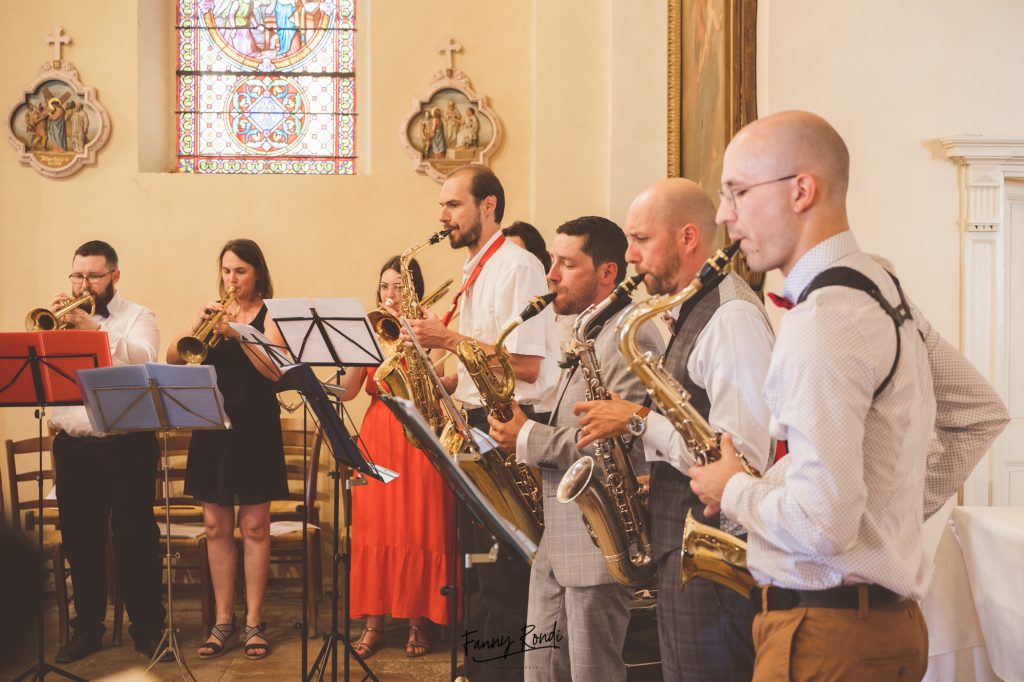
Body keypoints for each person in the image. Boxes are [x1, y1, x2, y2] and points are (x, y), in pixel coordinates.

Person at [685, 110, 1006, 680]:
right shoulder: (881, 282)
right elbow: (978, 412)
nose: (722, 214)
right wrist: (879, 518)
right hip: (886, 628)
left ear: (801, 190)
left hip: (824, 638)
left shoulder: (823, 323)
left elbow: (821, 526)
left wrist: (731, 487)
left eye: (737, 192)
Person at [574, 178, 775, 681]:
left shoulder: (731, 318)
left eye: (641, 240)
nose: (630, 255)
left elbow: (743, 459)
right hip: (688, 550)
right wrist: (658, 473)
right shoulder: (688, 308)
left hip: (712, 562)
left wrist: (639, 421)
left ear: (688, 238)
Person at [488, 216, 663, 682]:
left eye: (567, 264)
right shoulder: (591, 328)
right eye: (553, 262)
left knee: (591, 672)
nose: (552, 275)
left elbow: (617, 441)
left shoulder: (629, 334)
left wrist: (528, 436)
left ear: (608, 272)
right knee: (542, 667)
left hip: (597, 537)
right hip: (560, 535)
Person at [406, 164, 560, 682]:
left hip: (510, 425)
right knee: (478, 566)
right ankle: (480, 671)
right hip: (476, 420)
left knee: (507, 571)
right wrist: (435, 375)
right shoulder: (477, 267)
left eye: (453, 204)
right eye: (442, 206)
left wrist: (446, 341)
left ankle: (506, 674)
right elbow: (478, 364)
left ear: (488, 206)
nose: (443, 216)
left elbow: (527, 365)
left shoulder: (517, 266)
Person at [167, 238, 288, 660]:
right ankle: (223, 620)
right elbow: (174, 356)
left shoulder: (271, 314)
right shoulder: (211, 311)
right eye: (226, 271)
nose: (232, 279)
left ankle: (254, 621)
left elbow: (275, 370)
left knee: (255, 528)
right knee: (217, 527)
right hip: (212, 425)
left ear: (257, 274)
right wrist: (194, 326)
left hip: (256, 428)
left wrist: (237, 332)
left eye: (240, 271)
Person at [50, 240, 167, 664]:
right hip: (73, 447)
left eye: (94, 276)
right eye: (78, 275)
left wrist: (93, 329)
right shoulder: (58, 320)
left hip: (127, 445)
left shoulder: (139, 317)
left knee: (137, 537)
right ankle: (88, 629)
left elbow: (143, 360)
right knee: (82, 541)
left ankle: (149, 628)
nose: (85, 284)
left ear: (115, 276)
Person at [334, 255, 455, 659]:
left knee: (418, 527)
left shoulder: (429, 326)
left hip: (419, 434)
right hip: (378, 434)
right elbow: (349, 391)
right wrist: (349, 348)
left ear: (413, 290)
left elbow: (442, 385)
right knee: (374, 529)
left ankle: (417, 622)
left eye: (399, 287)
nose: (390, 294)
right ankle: (373, 624)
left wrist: (419, 344)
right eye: (385, 286)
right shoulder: (371, 329)